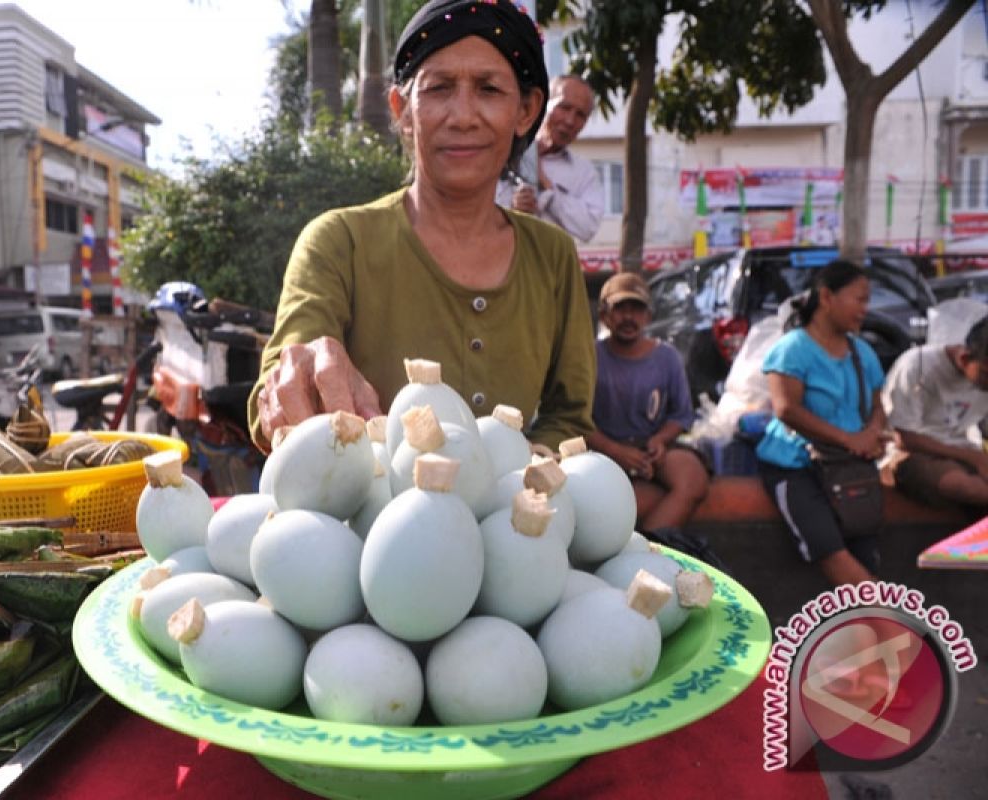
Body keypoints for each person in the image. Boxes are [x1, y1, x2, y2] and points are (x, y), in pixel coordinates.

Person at [248, 0, 597, 454]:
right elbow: (273, 396)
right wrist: (301, 377)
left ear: (527, 111)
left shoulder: (552, 254)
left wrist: (514, 475)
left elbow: (570, 416)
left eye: (489, 89)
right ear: (402, 109)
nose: (463, 115)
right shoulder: (339, 242)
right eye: (439, 89)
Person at [756, 260, 888, 586]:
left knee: (865, 552)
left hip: (850, 467)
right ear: (827, 297)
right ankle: (888, 622)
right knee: (832, 552)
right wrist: (849, 439)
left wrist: (871, 433)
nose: (864, 309)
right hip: (796, 465)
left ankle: (877, 625)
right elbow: (787, 409)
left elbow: (878, 405)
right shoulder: (792, 350)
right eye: (859, 299)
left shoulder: (862, 351)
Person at [586, 272, 708, 534]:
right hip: (601, 453)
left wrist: (660, 440)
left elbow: (681, 415)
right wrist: (616, 451)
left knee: (693, 479)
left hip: (650, 452)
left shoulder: (667, 357)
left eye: (637, 309)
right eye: (620, 309)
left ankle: (654, 550)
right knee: (616, 503)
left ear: (648, 316)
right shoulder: (590, 356)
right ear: (605, 315)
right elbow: (576, 420)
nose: (629, 317)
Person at [882, 315, 988, 510]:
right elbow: (904, 438)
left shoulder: (982, 382)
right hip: (911, 452)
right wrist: (973, 457)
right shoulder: (918, 366)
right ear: (965, 359)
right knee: (962, 485)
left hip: (964, 450)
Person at [494, 73, 604, 243]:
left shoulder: (585, 173)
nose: (570, 121)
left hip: (553, 267)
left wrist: (548, 187)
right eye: (564, 107)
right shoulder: (504, 153)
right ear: (543, 104)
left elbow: (587, 228)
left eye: (580, 115)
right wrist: (511, 210)